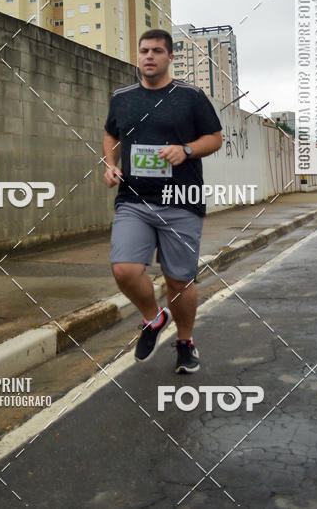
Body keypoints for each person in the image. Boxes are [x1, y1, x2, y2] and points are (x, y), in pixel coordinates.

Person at [103, 29, 223, 374]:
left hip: (181, 199)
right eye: (144, 51)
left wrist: (185, 150)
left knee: (178, 280)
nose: (149, 56)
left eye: (157, 51)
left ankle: (185, 342)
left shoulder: (190, 96)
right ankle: (154, 318)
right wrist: (110, 166)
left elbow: (214, 138)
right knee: (124, 269)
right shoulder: (122, 97)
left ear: (170, 57)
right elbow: (111, 133)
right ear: (137, 56)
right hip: (134, 198)